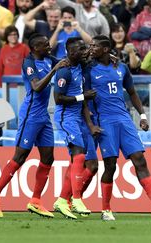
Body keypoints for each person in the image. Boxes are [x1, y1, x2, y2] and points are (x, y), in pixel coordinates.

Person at [84, 35, 151, 221]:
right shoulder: (88, 69)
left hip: (124, 119)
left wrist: (142, 116)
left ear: (105, 49)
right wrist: (91, 124)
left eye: (94, 46)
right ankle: (106, 210)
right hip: (104, 121)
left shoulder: (121, 67)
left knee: (139, 159)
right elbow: (84, 101)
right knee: (111, 165)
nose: (91, 49)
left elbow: (132, 92)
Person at [0, 34, 66, 218]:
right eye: (45, 44)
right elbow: (37, 87)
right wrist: (54, 71)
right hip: (30, 115)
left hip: (43, 116)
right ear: (36, 48)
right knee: (20, 156)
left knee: (48, 158)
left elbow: (67, 62)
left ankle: (36, 201)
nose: (49, 46)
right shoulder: (28, 63)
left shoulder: (48, 59)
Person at [51, 37, 98, 220]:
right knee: (78, 155)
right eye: (81, 49)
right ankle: (75, 199)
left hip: (80, 119)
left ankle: (63, 199)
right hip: (66, 118)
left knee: (92, 164)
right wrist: (82, 96)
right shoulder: (64, 71)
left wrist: (90, 124)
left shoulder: (79, 66)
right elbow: (58, 99)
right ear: (71, 52)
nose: (85, 51)